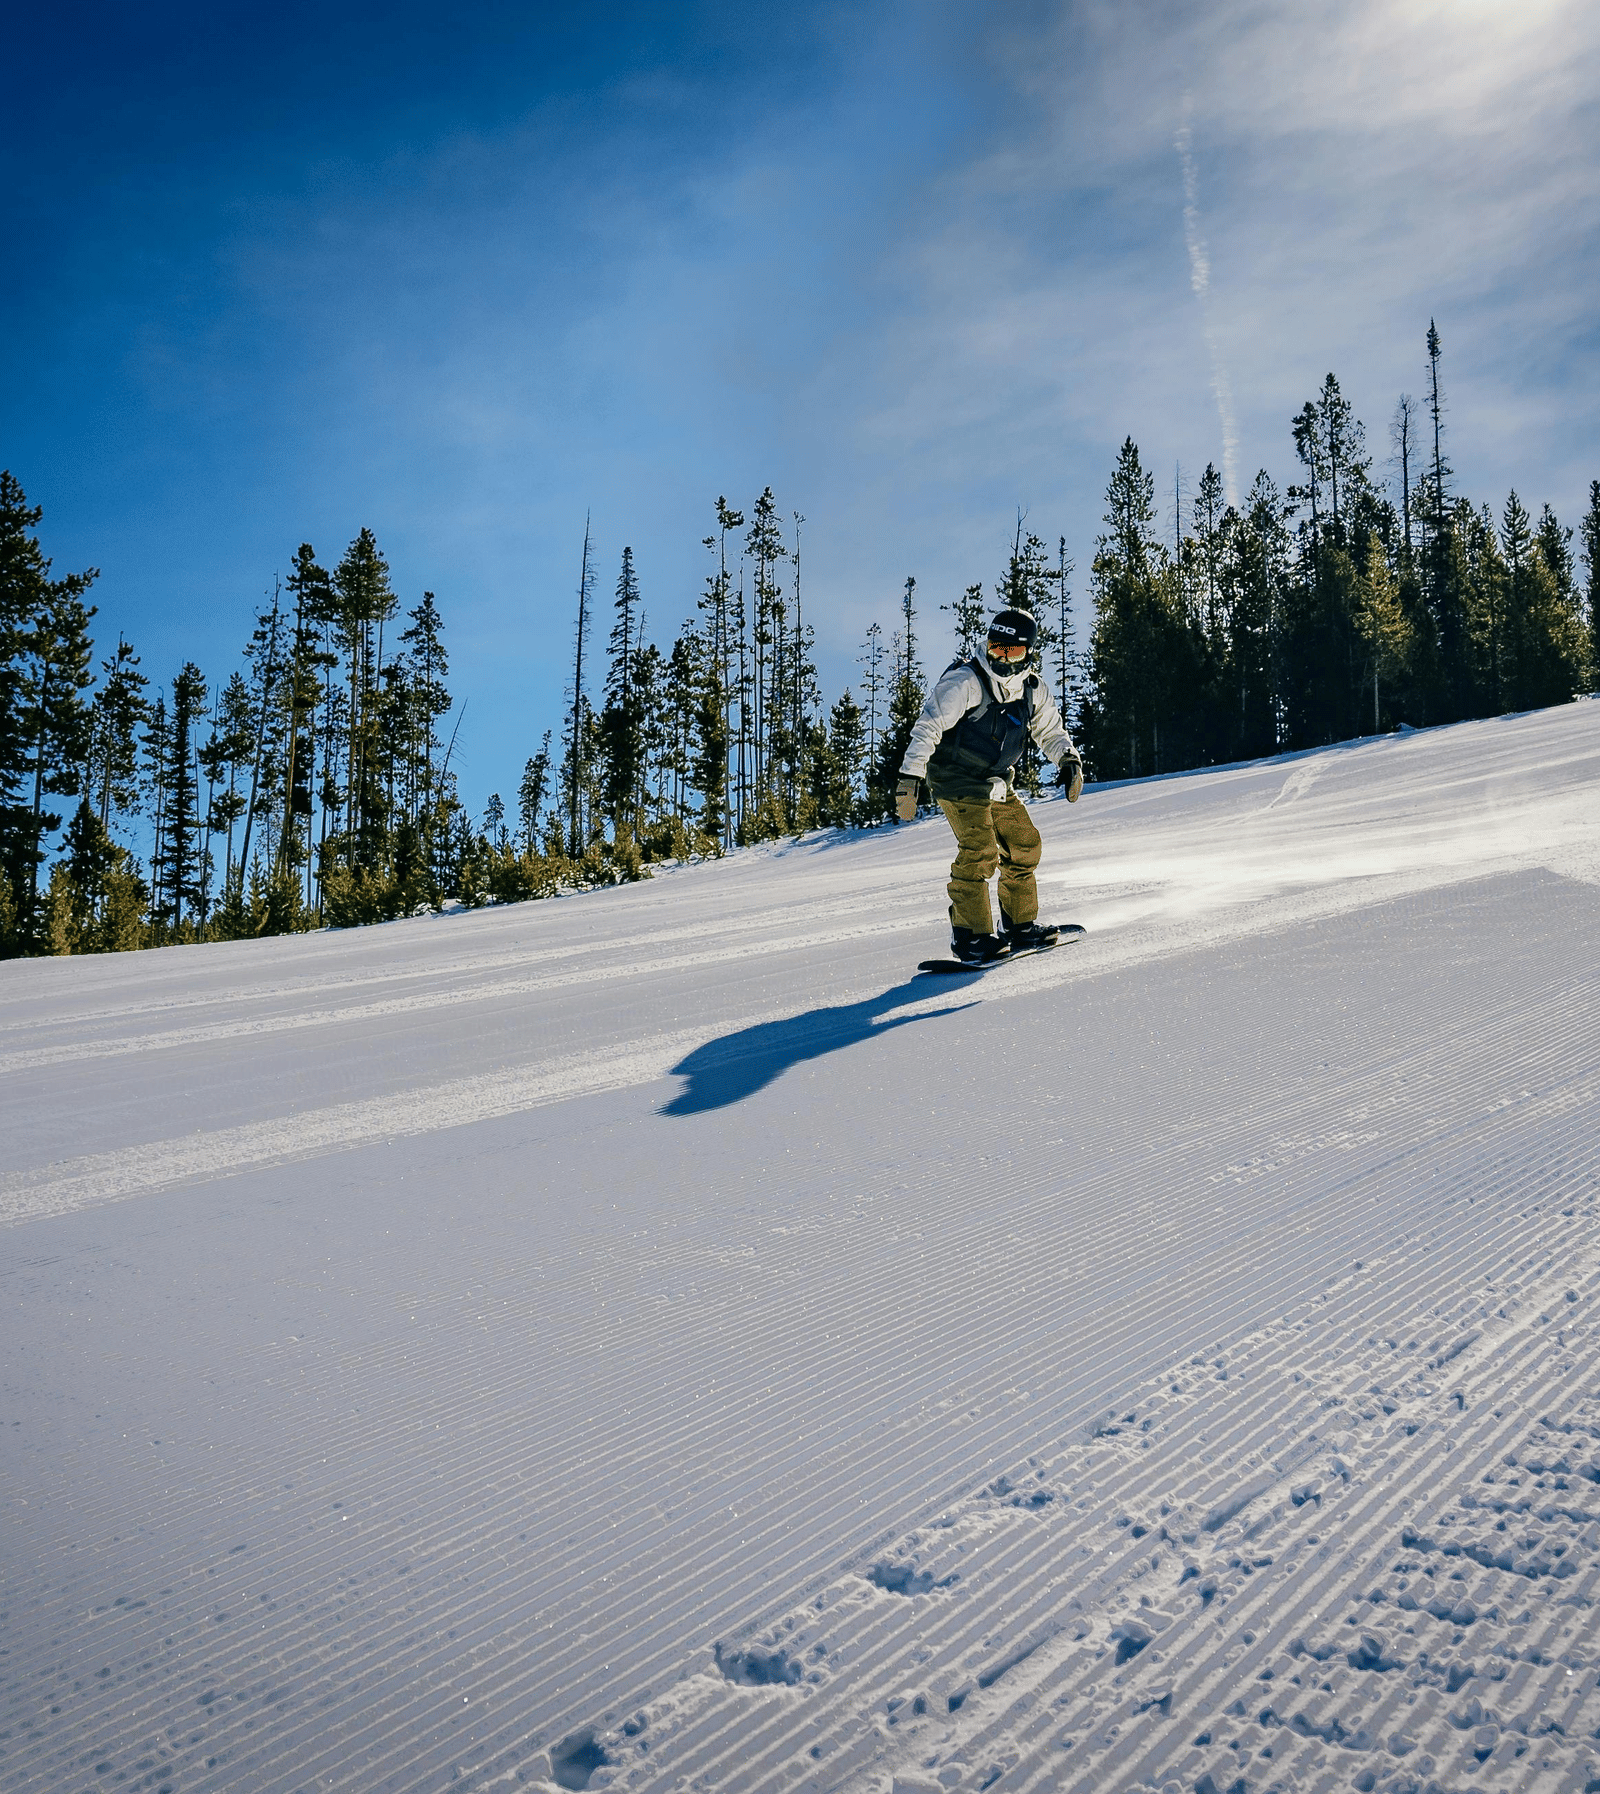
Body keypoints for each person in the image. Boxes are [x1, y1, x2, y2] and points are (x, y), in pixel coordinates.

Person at [895, 607, 1085, 963]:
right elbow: (928, 726)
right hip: (957, 777)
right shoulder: (966, 681)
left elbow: (1050, 731)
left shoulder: (1032, 689)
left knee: (1024, 845)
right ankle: (971, 937)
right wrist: (910, 778)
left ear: (1028, 652)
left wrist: (1069, 761)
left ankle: (1019, 927)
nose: (1001, 657)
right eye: (996, 647)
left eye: (1011, 651)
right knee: (980, 851)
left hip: (996, 780)